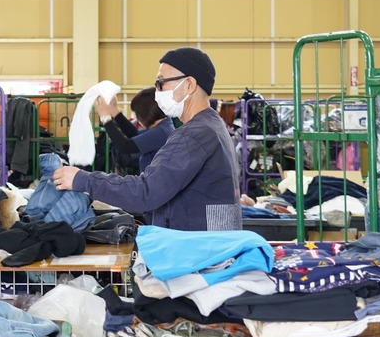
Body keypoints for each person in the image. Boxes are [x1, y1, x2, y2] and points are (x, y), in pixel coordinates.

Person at [53, 47, 241, 231]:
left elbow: (146, 192)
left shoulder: (193, 135)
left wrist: (82, 180)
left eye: (161, 83)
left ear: (189, 85)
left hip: (195, 252)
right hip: (209, 242)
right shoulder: (213, 126)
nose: (157, 91)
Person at [94, 87, 175, 174]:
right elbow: (133, 133)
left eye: (138, 114)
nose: (137, 118)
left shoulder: (160, 132)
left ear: (145, 112)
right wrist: (114, 111)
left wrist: (105, 118)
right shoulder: (164, 125)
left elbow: (125, 146)